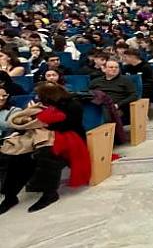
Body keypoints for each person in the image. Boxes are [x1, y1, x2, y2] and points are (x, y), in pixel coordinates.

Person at [0, 82, 89, 214]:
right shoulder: (41, 105)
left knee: (47, 154)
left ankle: (49, 193)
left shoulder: (72, 104)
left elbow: (69, 125)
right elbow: (28, 122)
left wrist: (40, 121)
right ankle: (10, 196)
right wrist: (32, 119)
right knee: (18, 156)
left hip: (70, 138)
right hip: (42, 136)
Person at [89, 58, 139, 125]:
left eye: (116, 67)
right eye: (111, 67)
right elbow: (88, 94)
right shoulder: (95, 81)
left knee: (104, 113)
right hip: (97, 106)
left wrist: (118, 105)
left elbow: (134, 95)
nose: (114, 69)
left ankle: (106, 132)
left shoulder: (125, 81)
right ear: (104, 69)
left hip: (116, 107)